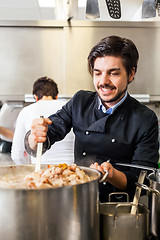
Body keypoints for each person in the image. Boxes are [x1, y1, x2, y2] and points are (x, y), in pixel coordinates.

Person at [24, 36, 159, 202]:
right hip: (77, 200)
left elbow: (143, 180)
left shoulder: (145, 118)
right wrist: (34, 137)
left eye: (113, 73)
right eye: (98, 73)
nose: (103, 81)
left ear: (131, 74)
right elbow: (49, 133)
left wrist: (112, 175)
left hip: (118, 207)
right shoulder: (80, 101)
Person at [11, 76, 74, 165]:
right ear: (56, 96)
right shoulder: (68, 109)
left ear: (35, 97)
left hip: (42, 172)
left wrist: (27, 169)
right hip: (71, 170)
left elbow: (16, 155)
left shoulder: (26, 111)